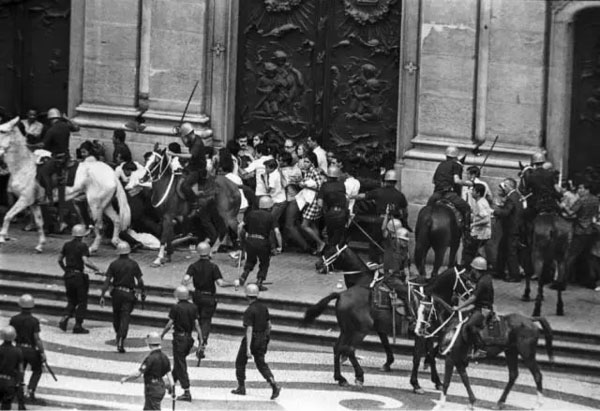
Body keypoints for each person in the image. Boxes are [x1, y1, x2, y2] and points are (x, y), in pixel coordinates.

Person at [231, 284, 281, 400]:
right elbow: (269, 325)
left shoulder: (249, 311)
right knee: (261, 364)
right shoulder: (264, 307)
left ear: (247, 296)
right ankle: (273, 384)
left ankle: (241, 387)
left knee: (240, 362)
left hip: (252, 339)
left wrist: (248, 348)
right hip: (262, 338)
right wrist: (266, 338)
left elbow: (249, 329)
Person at [182, 241, 231, 353]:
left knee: (197, 319)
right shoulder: (213, 267)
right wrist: (234, 283)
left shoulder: (193, 266)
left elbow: (185, 280)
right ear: (209, 252)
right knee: (206, 320)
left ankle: (192, 339)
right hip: (209, 297)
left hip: (197, 295)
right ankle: (203, 341)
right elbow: (220, 283)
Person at [352, 169, 409, 264]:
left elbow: (363, 196)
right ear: (395, 182)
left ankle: (374, 262)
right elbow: (404, 211)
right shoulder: (400, 195)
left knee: (374, 242)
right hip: (394, 223)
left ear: (385, 181)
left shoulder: (379, 191)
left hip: (380, 220)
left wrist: (351, 197)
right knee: (393, 245)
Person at [37, 108, 80, 227]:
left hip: (57, 158)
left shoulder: (52, 130)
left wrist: (32, 145)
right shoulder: (66, 125)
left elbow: (43, 145)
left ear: (51, 119)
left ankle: (49, 196)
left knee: (44, 172)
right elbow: (77, 128)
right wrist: (68, 120)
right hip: (66, 156)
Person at [99, 242, 145, 353]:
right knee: (125, 317)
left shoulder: (113, 264)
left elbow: (107, 281)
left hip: (116, 293)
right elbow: (139, 280)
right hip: (128, 294)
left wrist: (102, 295)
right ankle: (121, 338)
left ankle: (118, 333)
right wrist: (142, 291)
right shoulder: (133, 264)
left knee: (116, 315)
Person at [160, 286, 203, 402]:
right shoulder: (193, 307)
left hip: (179, 338)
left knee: (180, 364)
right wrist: (201, 340)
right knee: (179, 362)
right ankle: (170, 384)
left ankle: (186, 390)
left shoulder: (176, 308)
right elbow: (197, 325)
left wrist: (162, 334)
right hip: (189, 339)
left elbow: (170, 324)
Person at [57, 224, 101, 334]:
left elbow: (59, 260)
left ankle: (65, 317)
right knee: (82, 301)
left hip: (68, 276)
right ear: (83, 235)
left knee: (71, 299)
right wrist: (97, 269)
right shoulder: (83, 246)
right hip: (78, 276)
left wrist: (66, 270)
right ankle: (78, 325)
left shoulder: (66, 245)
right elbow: (86, 261)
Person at [452, 256, 493, 360]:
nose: (472, 271)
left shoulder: (483, 282)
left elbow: (473, 298)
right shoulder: (485, 278)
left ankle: (480, 348)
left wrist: (459, 307)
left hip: (483, 309)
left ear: (476, 270)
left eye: (473, 269)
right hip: (479, 306)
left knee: (469, 325)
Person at [237, 196, 281, 291]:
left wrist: (240, 238)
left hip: (250, 240)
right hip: (263, 242)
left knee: (250, 260)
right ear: (270, 206)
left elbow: (240, 226)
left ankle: (244, 275)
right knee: (264, 263)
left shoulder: (251, 214)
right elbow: (277, 232)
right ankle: (259, 281)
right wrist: (280, 246)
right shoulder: (271, 216)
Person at [120, 332, 174, 410]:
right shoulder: (165, 357)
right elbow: (170, 376)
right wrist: (172, 389)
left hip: (152, 388)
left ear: (149, 344)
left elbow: (138, 374)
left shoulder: (150, 358)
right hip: (160, 387)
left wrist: (126, 378)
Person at [562, 181, 600, 289]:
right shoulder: (596, 200)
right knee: (586, 256)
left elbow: (570, 213)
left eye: (581, 188)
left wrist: (563, 206)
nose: (579, 190)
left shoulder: (582, 200)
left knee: (570, 256)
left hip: (580, 230)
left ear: (586, 189)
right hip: (590, 230)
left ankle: (562, 281)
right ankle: (589, 281)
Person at [9, 294, 45, 405]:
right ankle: (30, 390)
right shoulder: (34, 321)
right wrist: (42, 352)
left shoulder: (14, 319)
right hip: (31, 350)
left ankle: (18, 391)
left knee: (20, 370)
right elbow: (36, 338)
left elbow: (11, 335)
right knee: (37, 369)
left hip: (18, 348)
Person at [426, 146, 472, 232]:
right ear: (456, 156)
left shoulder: (440, 164)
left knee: (427, 210)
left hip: (436, 194)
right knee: (466, 208)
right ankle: (467, 231)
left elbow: (433, 180)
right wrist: (469, 183)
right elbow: (457, 181)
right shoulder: (456, 165)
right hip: (449, 194)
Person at [169, 122, 207, 215]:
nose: (184, 138)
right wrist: (180, 134)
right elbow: (186, 144)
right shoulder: (193, 139)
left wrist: (175, 154)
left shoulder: (197, 143)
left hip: (198, 169)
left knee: (185, 186)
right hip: (191, 166)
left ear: (189, 134)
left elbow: (190, 156)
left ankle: (195, 205)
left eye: (185, 136)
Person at [493, 178, 523, 282]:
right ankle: (499, 271)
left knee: (511, 252)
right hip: (511, 228)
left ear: (509, 186)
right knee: (502, 249)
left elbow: (506, 212)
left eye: (504, 185)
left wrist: (495, 210)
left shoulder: (511, 197)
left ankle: (514, 275)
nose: (503, 188)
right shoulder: (516, 196)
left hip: (511, 229)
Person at [297, 153, 326, 254]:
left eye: (307, 162)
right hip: (309, 200)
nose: (304, 163)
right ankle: (319, 247)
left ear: (312, 163)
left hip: (314, 201)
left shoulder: (314, 172)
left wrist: (305, 186)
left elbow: (319, 187)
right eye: (304, 161)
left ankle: (320, 243)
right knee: (313, 225)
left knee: (304, 225)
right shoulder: (307, 172)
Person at [462, 183, 492, 269]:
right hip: (483, 233)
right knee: (480, 252)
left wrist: (473, 224)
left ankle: (467, 268)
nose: (471, 192)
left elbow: (486, 219)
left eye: (473, 191)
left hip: (480, 233)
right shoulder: (482, 201)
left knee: (469, 252)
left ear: (478, 193)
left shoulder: (480, 203)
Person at [317, 165, 348, 247]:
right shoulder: (342, 185)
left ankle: (331, 252)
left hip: (330, 213)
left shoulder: (324, 186)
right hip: (342, 213)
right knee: (339, 235)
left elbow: (319, 203)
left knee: (330, 235)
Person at [263, 159, 287, 253]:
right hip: (282, 200)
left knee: (271, 224)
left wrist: (264, 179)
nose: (265, 169)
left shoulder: (272, 176)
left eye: (266, 167)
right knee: (275, 225)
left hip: (277, 202)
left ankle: (274, 247)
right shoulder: (278, 172)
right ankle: (278, 246)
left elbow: (268, 190)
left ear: (271, 168)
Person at [0, 326, 24, 411]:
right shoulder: (18, 351)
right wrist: (20, 381)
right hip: (10, 382)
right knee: (6, 406)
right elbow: (21, 369)